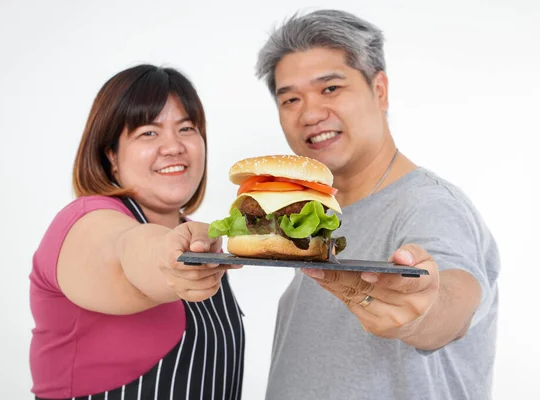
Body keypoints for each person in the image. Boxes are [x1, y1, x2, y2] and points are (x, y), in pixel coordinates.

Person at [254, 9, 500, 400]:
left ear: (379, 90)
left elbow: (453, 299)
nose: (310, 114)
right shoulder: (317, 214)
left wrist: (424, 309)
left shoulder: (430, 205)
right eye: (290, 99)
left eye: (330, 88)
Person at [29, 64, 245, 400]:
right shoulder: (84, 222)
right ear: (111, 155)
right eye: (148, 132)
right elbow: (129, 251)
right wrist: (169, 257)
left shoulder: (200, 240)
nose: (173, 147)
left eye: (187, 128)